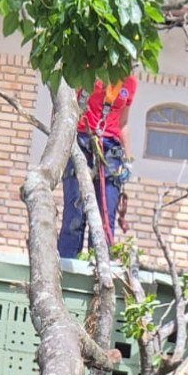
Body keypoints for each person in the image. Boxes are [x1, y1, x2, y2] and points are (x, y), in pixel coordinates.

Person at [57, 75, 138, 260]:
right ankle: (66, 264)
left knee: (104, 218)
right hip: (82, 141)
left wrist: (128, 159)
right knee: (75, 214)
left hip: (111, 150)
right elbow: (65, 107)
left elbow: (123, 122)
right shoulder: (87, 69)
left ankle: (99, 266)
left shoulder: (129, 81)